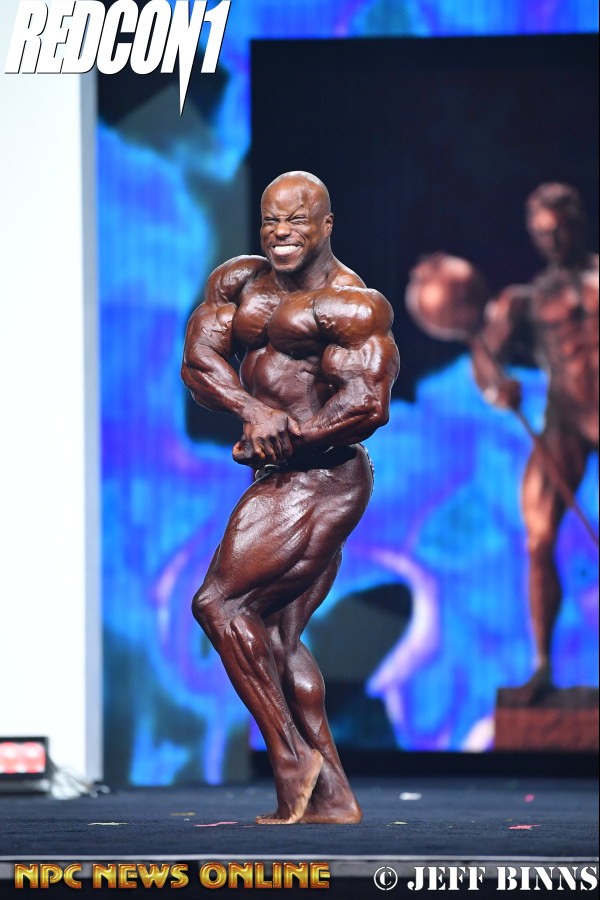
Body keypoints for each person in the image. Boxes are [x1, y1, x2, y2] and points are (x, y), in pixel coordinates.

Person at [181, 171, 399, 824]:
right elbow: (198, 364)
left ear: (326, 225)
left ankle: (288, 756)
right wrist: (253, 411)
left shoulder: (352, 305)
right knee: (274, 636)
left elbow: (367, 405)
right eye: (272, 220)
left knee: (219, 604)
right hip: (282, 475)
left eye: (296, 221)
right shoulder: (240, 284)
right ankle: (331, 796)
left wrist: (290, 438)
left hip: (322, 477)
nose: (281, 233)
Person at [409, 184, 598, 700]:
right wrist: (498, 388)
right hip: (565, 420)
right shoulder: (525, 302)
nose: (552, 241)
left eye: (559, 229)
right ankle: (542, 667)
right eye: (541, 233)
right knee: (538, 537)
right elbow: (486, 367)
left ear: (578, 222)